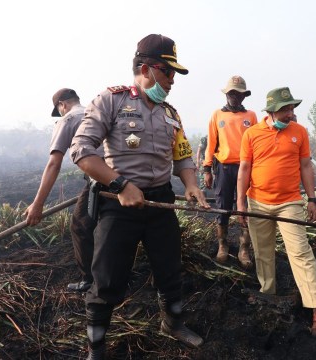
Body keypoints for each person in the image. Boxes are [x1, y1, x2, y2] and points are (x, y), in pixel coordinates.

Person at [69, 34, 209, 357]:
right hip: (118, 204)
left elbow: (183, 157)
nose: (172, 81)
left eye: (174, 75)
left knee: (170, 268)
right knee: (105, 278)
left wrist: (191, 184)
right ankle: (96, 346)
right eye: (168, 72)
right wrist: (119, 185)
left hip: (160, 203)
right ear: (146, 68)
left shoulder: (171, 113)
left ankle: (172, 323)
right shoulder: (112, 101)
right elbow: (81, 151)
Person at [237, 87, 316, 339]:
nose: (291, 113)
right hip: (257, 201)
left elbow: (305, 166)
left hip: (290, 202)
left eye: (292, 108)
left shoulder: (299, 132)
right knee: (263, 251)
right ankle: (268, 294)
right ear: (271, 110)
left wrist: (311, 198)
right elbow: (245, 168)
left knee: (300, 252)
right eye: (285, 109)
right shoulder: (252, 133)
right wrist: (240, 203)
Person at [24, 88, 102, 293]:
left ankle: (89, 280)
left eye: (59, 110)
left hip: (101, 180)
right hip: (121, 177)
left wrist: (38, 204)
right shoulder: (95, 112)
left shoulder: (67, 120)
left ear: (62, 105)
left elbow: (53, 164)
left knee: (80, 225)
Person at [202, 75, 258, 269]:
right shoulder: (218, 115)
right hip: (224, 169)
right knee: (222, 206)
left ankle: (244, 248)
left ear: (244, 96)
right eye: (232, 93)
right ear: (227, 94)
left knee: (246, 208)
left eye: (239, 94)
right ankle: (222, 244)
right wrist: (207, 168)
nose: (235, 97)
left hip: (246, 168)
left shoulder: (250, 116)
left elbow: (256, 143)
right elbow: (211, 143)